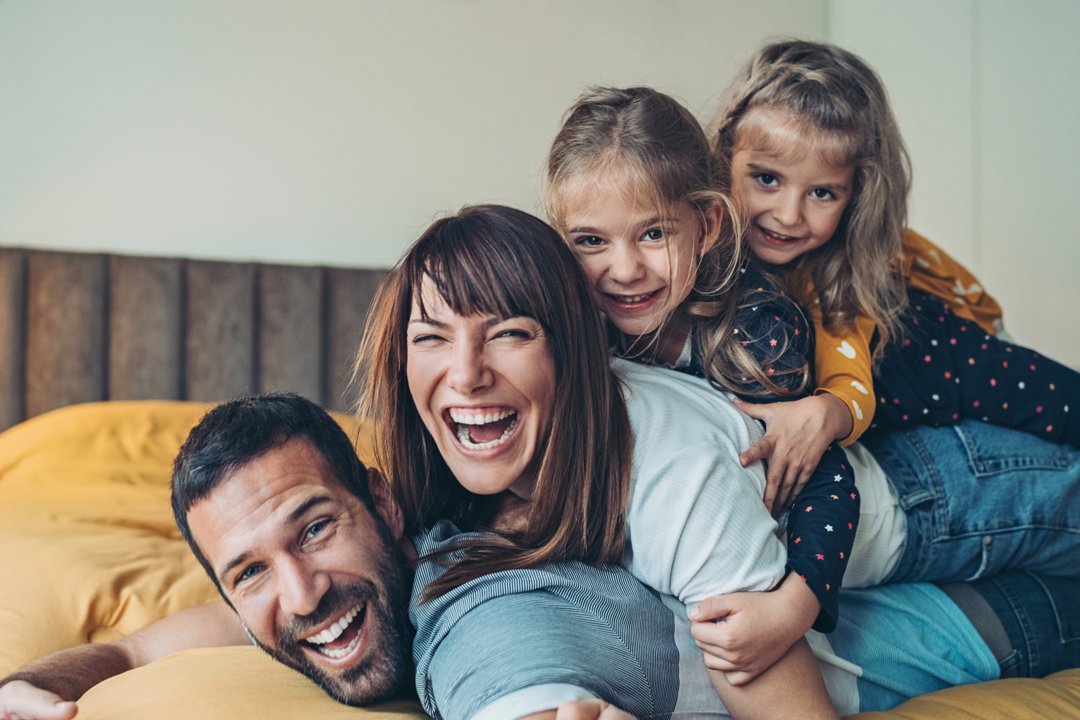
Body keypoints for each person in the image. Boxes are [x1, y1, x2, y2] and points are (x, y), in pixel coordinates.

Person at [354, 204, 1080, 715]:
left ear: (573, 348)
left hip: (931, 493)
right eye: (431, 338)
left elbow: (772, 689)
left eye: (507, 333)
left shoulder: (666, 462)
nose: (467, 372)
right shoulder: (450, 484)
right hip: (895, 591)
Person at [2, 392, 1078, 719]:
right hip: (990, 630)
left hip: (952, 551)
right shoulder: (292, 612)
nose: (301, 594)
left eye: (315, 527)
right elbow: (134, 653)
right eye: (249, 572)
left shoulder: (461, 556)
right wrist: (31, 687)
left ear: (381, 499)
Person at [543, 85, 859, 658]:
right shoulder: (574, 328)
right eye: (591, 241)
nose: (625, 270)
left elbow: (827, 477)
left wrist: (795, 607)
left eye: (653, 234)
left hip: (915, 402)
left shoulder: (759, 331)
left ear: (708, 225)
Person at [709, 38, 1079, 466]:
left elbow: (849, 377)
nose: (789, 215)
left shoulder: (836, 272)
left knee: (1055, 400)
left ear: (857, 197)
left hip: (963, 327)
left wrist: (831, 410)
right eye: (768, 179)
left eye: (823, 193)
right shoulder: (705, 233)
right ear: (725, 155)